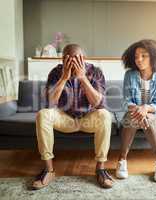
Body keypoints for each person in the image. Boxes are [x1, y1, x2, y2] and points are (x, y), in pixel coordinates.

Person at [32, 44, 114, 189]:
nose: (72, 62)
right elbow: (50, 102)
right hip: (66, 119)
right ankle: (49, 170)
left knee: (105, 115)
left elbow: (98, 103)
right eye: (68, 59)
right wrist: (64, 78)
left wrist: (83, 78)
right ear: (62, 59)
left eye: (76, 58)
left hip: (88, 118)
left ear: (83, 58)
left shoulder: (95, 72)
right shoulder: (56, 72)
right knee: (43, 114)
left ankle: (100, 169)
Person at [115, 39, 156, 182]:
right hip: (133, 112)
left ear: (153, 56)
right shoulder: (130, 75)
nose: (138, 59)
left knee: (149, 119)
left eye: (143, 55)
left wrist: (145, 108)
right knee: (134, 117)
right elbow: (127, 100)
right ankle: (122, 160)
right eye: (136, 56)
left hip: (154, 114)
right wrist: (140, 111)